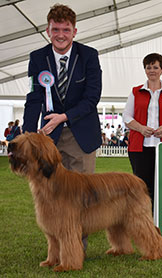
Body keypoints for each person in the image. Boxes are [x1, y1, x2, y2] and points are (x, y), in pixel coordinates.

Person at [22, 4, 102, 248]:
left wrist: (63, 116)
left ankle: (78, 247)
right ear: (48, 30)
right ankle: (57, 246)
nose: (60, 34)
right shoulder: (38, 58)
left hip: (81, 134)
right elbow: (34, 97)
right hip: (49, 139)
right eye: (55, 29)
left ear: (74, 31)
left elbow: (92, 97)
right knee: (52, 195)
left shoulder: (89, 55)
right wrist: (27, 133)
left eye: (65, 29)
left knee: (80, 196)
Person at [123, 53, 162, 206]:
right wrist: (140, 128)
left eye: (155, 67)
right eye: (148, 67)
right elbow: (126, 116)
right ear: (144, 70)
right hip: (139, 147)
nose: (152, 70)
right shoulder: (136, 91)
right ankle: (143, 217)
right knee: (141, 186)